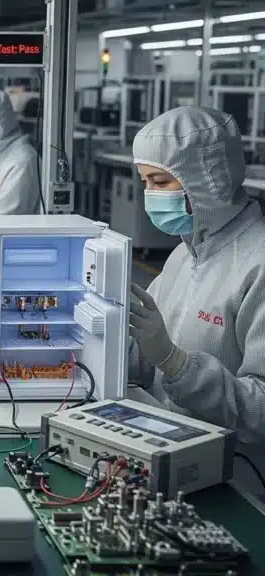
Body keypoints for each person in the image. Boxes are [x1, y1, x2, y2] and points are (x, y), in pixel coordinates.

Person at [127, 106, 265, 498]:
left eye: (160, 182)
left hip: (237, 484)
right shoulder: (185, 254)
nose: (149, 196)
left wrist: (174, 362)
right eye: (145, 182)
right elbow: (143, 354)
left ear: (207, 181)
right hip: (171, 458)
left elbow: (261, 412)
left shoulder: (258, 264)